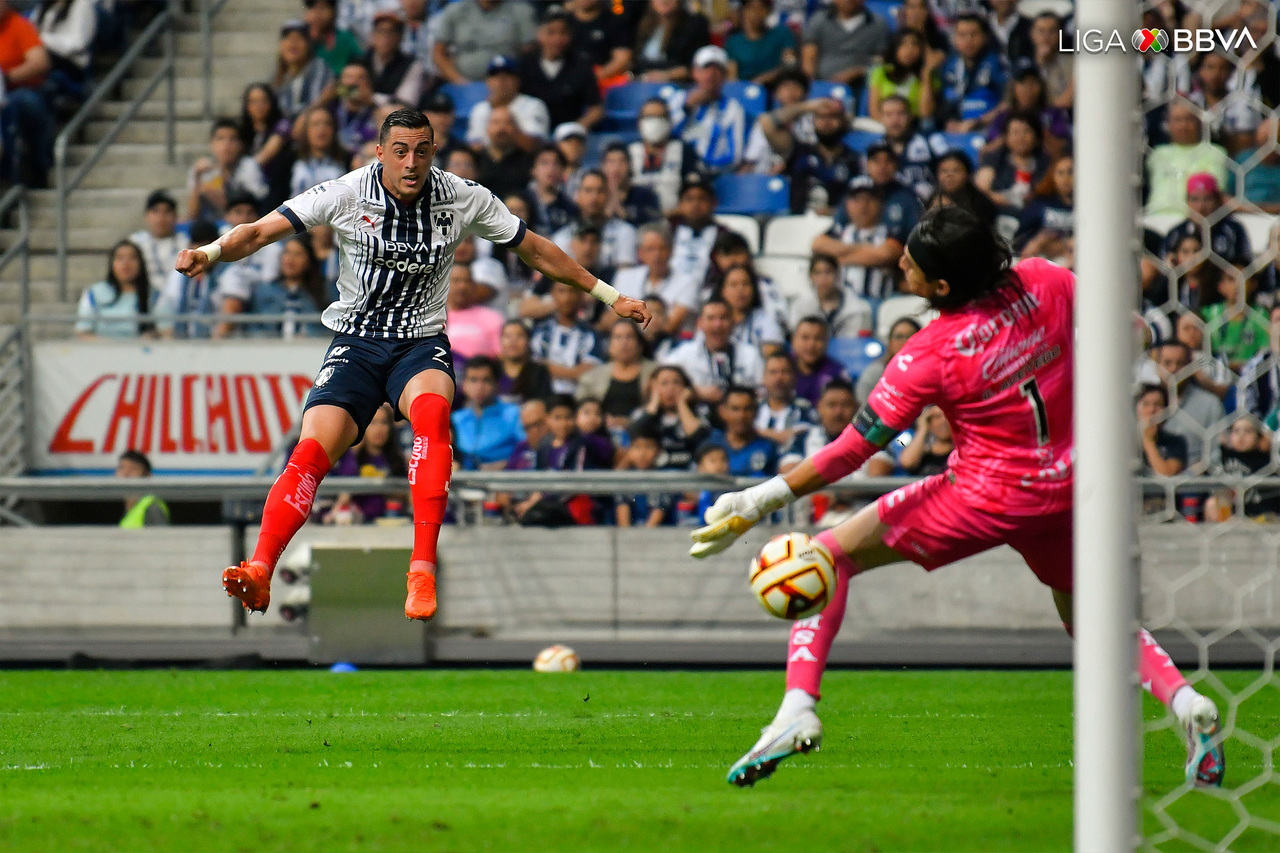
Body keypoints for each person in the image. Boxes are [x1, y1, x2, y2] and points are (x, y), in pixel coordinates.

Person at [688, 206, 1227, 791]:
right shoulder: (1044, 279)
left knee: (829, 557)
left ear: (941, 286)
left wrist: (759, 499)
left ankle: (796, 708)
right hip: (1069, 486)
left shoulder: (930, 353)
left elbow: (852, 450)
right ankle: (1186, 702)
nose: (900, 261)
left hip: (985, 494)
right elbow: (1133, 330)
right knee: (1091, 618)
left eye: (911, 262)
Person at [175, 107, 649, 623]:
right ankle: (262, 567)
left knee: (432, 416)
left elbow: (534, 249)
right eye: (400, 151)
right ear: (380, 153)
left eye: (422, 151)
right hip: (356, 342)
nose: (411, 162)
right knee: (310, 450)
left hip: (419, 343)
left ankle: (421, 569)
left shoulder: (462, 196)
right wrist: (211, 252)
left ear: (433, 153)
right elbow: (259, 232)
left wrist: (610, 296)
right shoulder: (345, 193)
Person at [759, 97, 860, 216]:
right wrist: (808, 106)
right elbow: (767, 123)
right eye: (820, 117)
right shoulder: (799, 151)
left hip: (836, 221)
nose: (826, 122)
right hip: (797, 221)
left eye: (832, 117)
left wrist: (836, 212)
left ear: (843, 121)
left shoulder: (853, 159)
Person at [812, 176, 904, 302]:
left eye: (869, 199)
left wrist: (839, 258)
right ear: (847, 204)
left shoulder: (889, 232)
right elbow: (817, 245)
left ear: (880, 203)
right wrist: (869, 251)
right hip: (843, 304)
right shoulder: (841, 230)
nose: (863, 205)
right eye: (857, 199)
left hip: (877, 302)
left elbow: (887, 254)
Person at [662, 299, 765, 404]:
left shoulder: (750, 355)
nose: (717, 324)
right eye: (711, 318)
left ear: (733, 322)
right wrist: (696, 392)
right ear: (700, 323)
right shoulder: (684, 354)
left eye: (723, 318)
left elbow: (763, 391)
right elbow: (661, 381)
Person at [518, 5, 603, 131]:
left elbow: (596, 109)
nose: (557, 39)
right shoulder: (525, 64)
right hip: (530, 131)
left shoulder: (581, 66)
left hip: (568, 132)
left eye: (563, 33)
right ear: (540, 34)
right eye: (551, 33)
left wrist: (576, 127)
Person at [666, 45, 748, 173]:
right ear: (694, 72)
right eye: (706, 67)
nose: (711, 74)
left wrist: (706, 168)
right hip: (676, 170)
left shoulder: (734, 109)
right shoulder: (678, 99)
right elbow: (664, 135)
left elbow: (735, 155)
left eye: (718, 69)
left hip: (712, 174)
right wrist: (686, 108)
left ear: (725, 75)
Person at [0, 0, 54, 187]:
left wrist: (6, 78)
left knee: (21, 102)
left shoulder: (19, 25)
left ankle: (34, 165)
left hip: (19, 89)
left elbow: (40, 62)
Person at [327, 404, 410, 523]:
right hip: (357, 526)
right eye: (373, 423)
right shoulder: (351, 458)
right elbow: (343, 496)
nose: (379, 429)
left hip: (390, 524)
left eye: (384, 422)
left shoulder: (397, 460)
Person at [1145, 103, 1231, 217]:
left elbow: (1216, 192)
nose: (1183, 125)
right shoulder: (1157, 154)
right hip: (1154, 217)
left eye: (1189, 119)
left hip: (1193, 219)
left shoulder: (1214, 152)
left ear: (1199, 122)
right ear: (1168, 124)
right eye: (1177, 120)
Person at [613, 223, 700, 334]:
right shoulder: (625, 277)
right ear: (640, 253)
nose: (657, 255)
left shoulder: (689, 282)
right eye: (650, 249)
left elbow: (670, 326)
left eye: (662, 248)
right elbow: (612, 319)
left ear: (671, 250)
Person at [576, 320, 657, 436]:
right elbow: (580, 406)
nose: (624, 343)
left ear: (640, 344)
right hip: (602, 433)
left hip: (645, 431)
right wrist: (602, 419)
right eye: (618, 337)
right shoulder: (592, 377)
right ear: (609, 345)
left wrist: (631, 422)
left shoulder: (655, 372)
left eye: (629, 337)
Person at [246, 234, 330, 338]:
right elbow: (253, 329)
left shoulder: (323, 293)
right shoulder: (263, 292)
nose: (290, 259)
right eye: (287, 252)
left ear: (309, 259)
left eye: (298, 254)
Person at [433, 0, 537, 84]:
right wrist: (458, 80)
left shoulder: (521, 10)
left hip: (506, 83)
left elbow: (531, 53)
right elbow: (438, 52)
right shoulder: (456, 10)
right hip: (464, 84)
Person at [552, 170, 639, 270]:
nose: (594, 197)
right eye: (588, 190)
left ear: (608, 195)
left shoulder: (624, 233)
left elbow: (626, 274)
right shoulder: (562, 238)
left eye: (600, 191)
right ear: (577, 195)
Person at [1161, 173, 1252, 268]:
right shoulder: (1176, 233)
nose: (1201, 206)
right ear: (1187, 202)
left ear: (1218, 200)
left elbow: (1243, 265)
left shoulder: (1233, 230)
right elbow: (1164, 264)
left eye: (1208, 199)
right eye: (1194, 199)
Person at [452, 356, 527, 470]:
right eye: (473, 380)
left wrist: (507, 464)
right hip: (464, 478)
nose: (479, 387)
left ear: (496, 384)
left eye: (486, 380)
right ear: (464, 385)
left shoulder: (513, 414)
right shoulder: (456, 419)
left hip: (504, 477)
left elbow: (528, 451)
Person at [187, 118, 270, 222]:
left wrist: (216, 189)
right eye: (220, 138)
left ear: (241, 145)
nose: (226, 144)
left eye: (232, 139)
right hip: (213, 227)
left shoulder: (249, 166)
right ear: (211, 144)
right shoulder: (201, 170)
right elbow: (192, 215)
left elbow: (252, 208)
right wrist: (197, 181)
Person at [630, 364, 711, 469]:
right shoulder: (643, 413)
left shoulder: (698, 413)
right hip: (654, 473)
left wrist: (682, 404)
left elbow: (698, 438)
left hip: (688, 472)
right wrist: (654, 402)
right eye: (664, 383)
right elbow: (635, 433)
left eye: (676, 382)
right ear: (654, 387)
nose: (671, 388)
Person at [627, 98, 700, 213]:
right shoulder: (629, 151)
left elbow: (696, 188)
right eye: (649, 117)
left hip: (675, 217)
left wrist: (675, 212)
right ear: (639, 123)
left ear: (669, 121)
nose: (655, 122)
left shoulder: (683, 150)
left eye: (660, 117)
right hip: (636, 218)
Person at [530, 280, 603, 393]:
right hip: (541, 395)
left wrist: (550, 369)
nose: (567, 298)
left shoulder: (590, 334)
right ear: (552, 294)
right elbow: (534, 368)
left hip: (577, 396)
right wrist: (574, 372)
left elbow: (590, 372)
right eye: (561, 291)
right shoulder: (540, 332)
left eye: (572, 291)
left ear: (580, 295)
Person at [467, 55, 550, 151]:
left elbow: (534, 146)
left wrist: (506, 126)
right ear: (488, 82)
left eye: (507, 76)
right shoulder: (480, 109)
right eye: (495, 76)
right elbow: (474, 147)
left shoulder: (534, 105)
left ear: (518, 81)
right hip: (488, 159)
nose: (501, 81)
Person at [939, 13, 1006, 132]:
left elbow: (1008, 103)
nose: (968, 40)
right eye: (962, 35)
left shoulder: (997, 63)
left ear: (985, 37)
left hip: (990, 129)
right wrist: (949, 122)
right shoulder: (949, 66)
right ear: (954, 38)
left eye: (974, 34)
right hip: (957, 130)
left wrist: (978, 122)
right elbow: (945, 103)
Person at [974, 110, 1051, 213]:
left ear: (1037, 137)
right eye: (1015, 132)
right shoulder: (993, 158)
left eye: (1027, 131)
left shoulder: (1046, 162)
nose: (1021, 137)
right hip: (997, 212)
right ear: (1006, 137)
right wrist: (1005, 200)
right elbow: (981, 191)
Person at [801, 0, 889, 88]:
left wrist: (858, 71)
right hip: (822, 85)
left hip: (863, 86)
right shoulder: (819, 20)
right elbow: (809, 58)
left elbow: (880, 61)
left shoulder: (877, 23)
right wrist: (812, 86)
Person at [76, 240, 154, 338]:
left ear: (140, 263)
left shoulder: (153, 295)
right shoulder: (94, 293)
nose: (126, 263)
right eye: (120, 258)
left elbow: (165, 332)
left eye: (132, 258)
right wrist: (109, 345)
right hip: (102, 346)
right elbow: (83, 332)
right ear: (112, 263)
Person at [788, 254, 873, 340]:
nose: (823, 278)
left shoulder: (855, 306)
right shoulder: (801, 305)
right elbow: (795, 336)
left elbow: (855, 339)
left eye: (828, 272)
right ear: (811, 276)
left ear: (837, 274)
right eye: (818, 273)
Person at [866, 28, 940, 123]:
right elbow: (874, 112)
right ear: (895, 48)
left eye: (915, 44)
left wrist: (926, 74)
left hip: (915, 126)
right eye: (903, 44)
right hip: (885, 126)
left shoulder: (930, 75)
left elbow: (925, 113)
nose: (909, 50)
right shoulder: (880, 72)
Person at [237, 84, 294, 206]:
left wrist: (245, 169)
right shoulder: (243, 131)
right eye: (254, 102)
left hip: (276, 185)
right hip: (249, 189)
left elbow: (265, 155)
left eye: (264, 101)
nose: (259, 106)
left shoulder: (281, 125)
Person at [704, 386, 779, 477]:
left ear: (756, 412)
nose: (741, 416)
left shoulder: (768, 447)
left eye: (747, 409)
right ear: (723, 412)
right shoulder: (710, 444)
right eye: (735, 409)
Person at [631, 0, 710, 84]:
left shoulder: (694, 25)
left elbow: (695, 65)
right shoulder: (639, 23)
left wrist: (667, 75)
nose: (664, 1)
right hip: (639, 82)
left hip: (677, 84)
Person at [713, 264, 785, 355]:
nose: (740, 289)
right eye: (734, 285)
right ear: (723, 291)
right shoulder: (713, 321)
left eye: (745, 284)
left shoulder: (766, 320)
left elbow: (771, 355)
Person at [272, 19, 334, 121]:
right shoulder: (276, 76)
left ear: (308, 44)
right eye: (288, 38)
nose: (293, 43)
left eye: (299, 38)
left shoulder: (319, 68)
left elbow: (315, 105)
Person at [725, 0, 796, 86]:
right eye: (751, 8)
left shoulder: (781, 33)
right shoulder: (733, 42)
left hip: (777, 87)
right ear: (743, 11)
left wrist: (764, 78)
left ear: (768, 11)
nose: (756, 13)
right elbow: (732, 78)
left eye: (761, 8)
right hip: (746, 89)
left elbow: (790, 63)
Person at [363, 11, 426, 109]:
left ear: (400, 36)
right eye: (380, 31)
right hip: (360, 114)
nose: (385, 38)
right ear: (373, 35)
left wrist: (370, 98)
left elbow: (406, 103)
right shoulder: (361, 61)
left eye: (391, 32)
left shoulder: (412, 64)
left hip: (394, 115)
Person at [1015, 155, 1073, 259]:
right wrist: (1039, 241)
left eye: (1070, 172)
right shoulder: (1039, 204)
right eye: (1060, 173)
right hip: (1041, 257)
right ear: (1052, 176)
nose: (1066, 178)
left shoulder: (1088, 208)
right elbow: (1020, 240)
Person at [615, 424, 672, 527]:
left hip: (657, 534)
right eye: (637, 447)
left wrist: (642, 537)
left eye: (648, 447)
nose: (642, 453)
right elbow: (623, 517)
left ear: (659, 451)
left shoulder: (664, 477)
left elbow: (656, 516)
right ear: (629, 450)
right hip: (629, 535)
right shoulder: (626, 478)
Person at [445, 265, 505, 360]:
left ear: (474, 286)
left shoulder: (493, 318)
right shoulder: (434, 318)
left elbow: (502, 356)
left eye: (467, 281)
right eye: (456, 281)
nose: (462, 286)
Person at [475, 105, 535, 200]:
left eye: (507, 123)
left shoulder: (528, 161)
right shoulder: (475, 159)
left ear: (516, 129)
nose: (501, 128)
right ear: (487, 128)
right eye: (496, 122)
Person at [856, 316, 919, 403]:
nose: (905, 341)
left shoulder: (928, 373)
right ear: (890, 342)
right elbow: (863, 402)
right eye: (899, 337)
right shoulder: (876, 371)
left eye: (911, 336)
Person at [755, 352, 812, 447]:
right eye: (773, 372)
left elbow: (791, 437)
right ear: (764, 377)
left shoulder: (804, 409)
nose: (779, 378)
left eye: (785, 372)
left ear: (794, 377)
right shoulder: (753, 408)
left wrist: (756, 432)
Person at [291, 106, 350, 196]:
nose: (322, 129)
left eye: (327, 124)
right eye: (316, 124)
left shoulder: (347, 160)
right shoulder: (290, 159)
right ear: (306, 130)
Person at [789, 315, 848, 405]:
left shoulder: (837, 373)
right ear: (793, 340)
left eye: (818, 338)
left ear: (827, 342)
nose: (811, 344)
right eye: (805, 337)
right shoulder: (781, 368)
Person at [129, 191, 181, 293]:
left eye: (167, 212)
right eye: (155, 211)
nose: (161, 218)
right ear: (146, 215)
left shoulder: (185, 243)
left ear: (175, 216)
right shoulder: (135, 243)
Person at [601, 144, 663, 228]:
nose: (616, 168)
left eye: (622, 162)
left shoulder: (645, 195)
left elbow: (653, 226)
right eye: (611, 162)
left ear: (630, 165)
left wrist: (623, 213)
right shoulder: (597, 195)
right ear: (603, 166)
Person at [1136, 384, 1188, 478]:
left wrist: (1148, 441)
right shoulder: (1124, 441)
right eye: (1146, 404)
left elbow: (1167, 475)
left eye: (1157, 404)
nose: (1152, 410)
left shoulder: (1175, 441)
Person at [496, 319, 554, 403]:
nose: (513, 341)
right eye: (508, 336)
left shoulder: (539, 372)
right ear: (500, 340)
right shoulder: (493, 370)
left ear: (528, 341)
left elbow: (543, 403)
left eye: (520, 336)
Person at [331, 62, 380, 155]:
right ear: (340, 83)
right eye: (349, 77)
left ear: (369, 83)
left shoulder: (379, 103)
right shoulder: (332, 106)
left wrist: (371, 103)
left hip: (367, 158)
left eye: (360, 78)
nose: (354, 82)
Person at [305, 0, 362, 77]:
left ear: (334, 11)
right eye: (312, 7)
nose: (316, 13)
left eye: (322, 8)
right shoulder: (303, 41)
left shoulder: (344, 39)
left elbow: (361, 63)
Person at [116, 449, 169, 528]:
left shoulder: (152, 507)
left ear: (146, 475)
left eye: (133, 468)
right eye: (122, 468)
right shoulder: (122, 507)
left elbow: (161, 535)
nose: (125, 474)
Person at [898, 404, 953, 476]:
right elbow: (907, 463)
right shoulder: (923, 456)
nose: (943, 421)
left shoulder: (960, 454)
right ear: (929, 422)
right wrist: (922, 429)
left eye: (947, 416)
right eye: (937, 417)